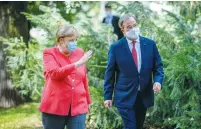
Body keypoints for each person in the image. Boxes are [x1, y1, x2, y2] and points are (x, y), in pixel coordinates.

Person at [104, 14, 164, 129]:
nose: (133, 29)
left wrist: (158, 81)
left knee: (138, 126)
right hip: (124, 95)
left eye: (134, 25)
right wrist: (108, 96)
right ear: (122, 30)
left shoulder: (150, 44)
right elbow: (110, 73)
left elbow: (158, 67)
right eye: (129, 27)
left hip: (143, 95)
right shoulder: (116, 47)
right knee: (131, 126)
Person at [39, 24, 93, 129]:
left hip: (78, 105)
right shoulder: (49, 53)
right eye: (71, 40)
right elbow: (54, 74)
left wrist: (87, 100)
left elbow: (83, 78)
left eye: (76, 39)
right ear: (60, 41)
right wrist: (77, 63)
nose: (75, 43)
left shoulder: (80, 52)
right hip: (54, 106)